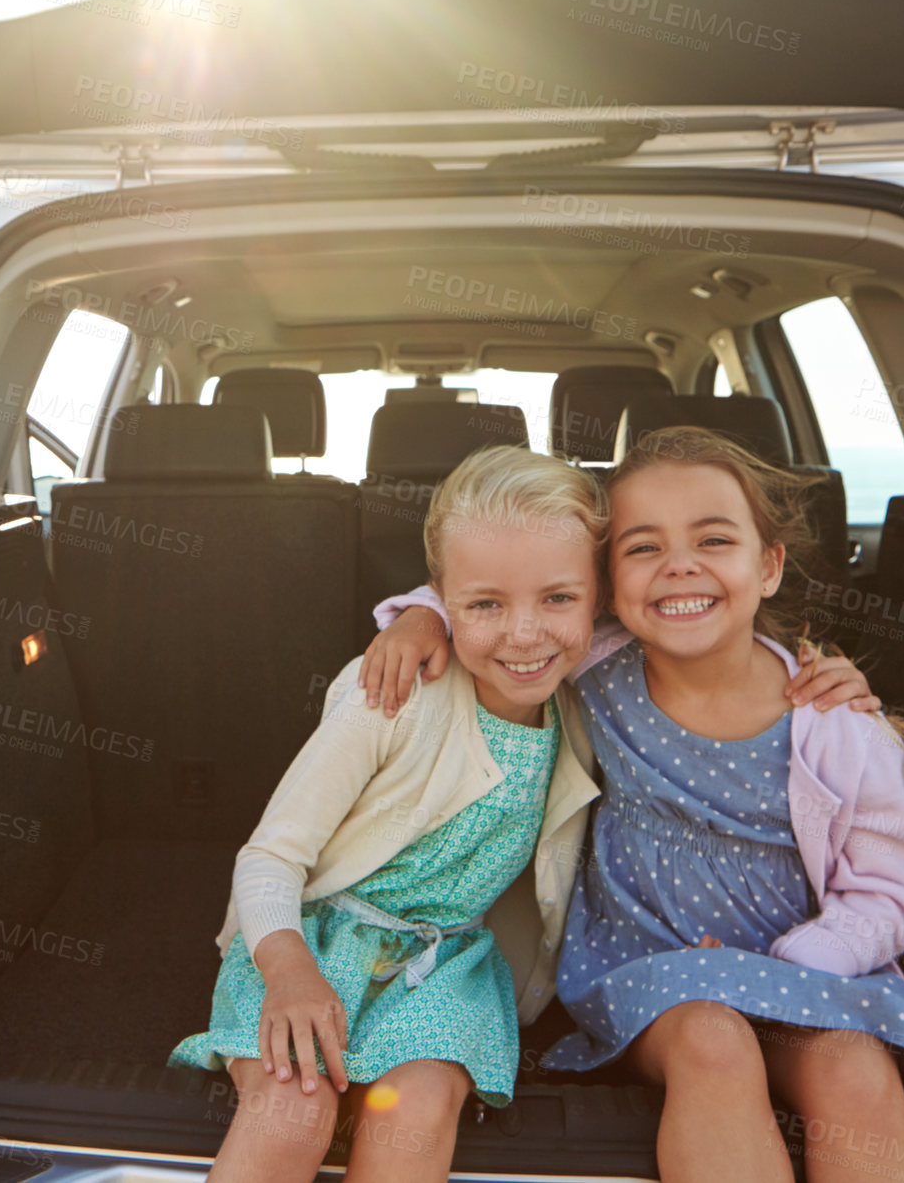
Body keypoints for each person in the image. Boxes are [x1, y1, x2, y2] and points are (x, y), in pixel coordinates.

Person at [365, 426, 904, 1183]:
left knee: (856, 1072)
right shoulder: (591, 659)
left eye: (714, 540)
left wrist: (803, 961)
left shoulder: (838, 725)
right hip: (645, 960)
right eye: (643, 548)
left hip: (806, 961)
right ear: (605, 583)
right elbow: (503, 590)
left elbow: (886, 888)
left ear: (769, 565)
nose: (680, 565)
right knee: (714, 1042)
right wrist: (423, 616)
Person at [169, 444, 608, 1183]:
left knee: (415, 1111)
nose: (525, 634)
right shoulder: (391, 692)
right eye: (484, 605)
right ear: (441, 596)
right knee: (294, 1104)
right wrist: (288, 973)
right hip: (309, 941)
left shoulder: (587, 699)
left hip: (445, 965)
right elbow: (270, 856)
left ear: (600, 595)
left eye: (558, 599)